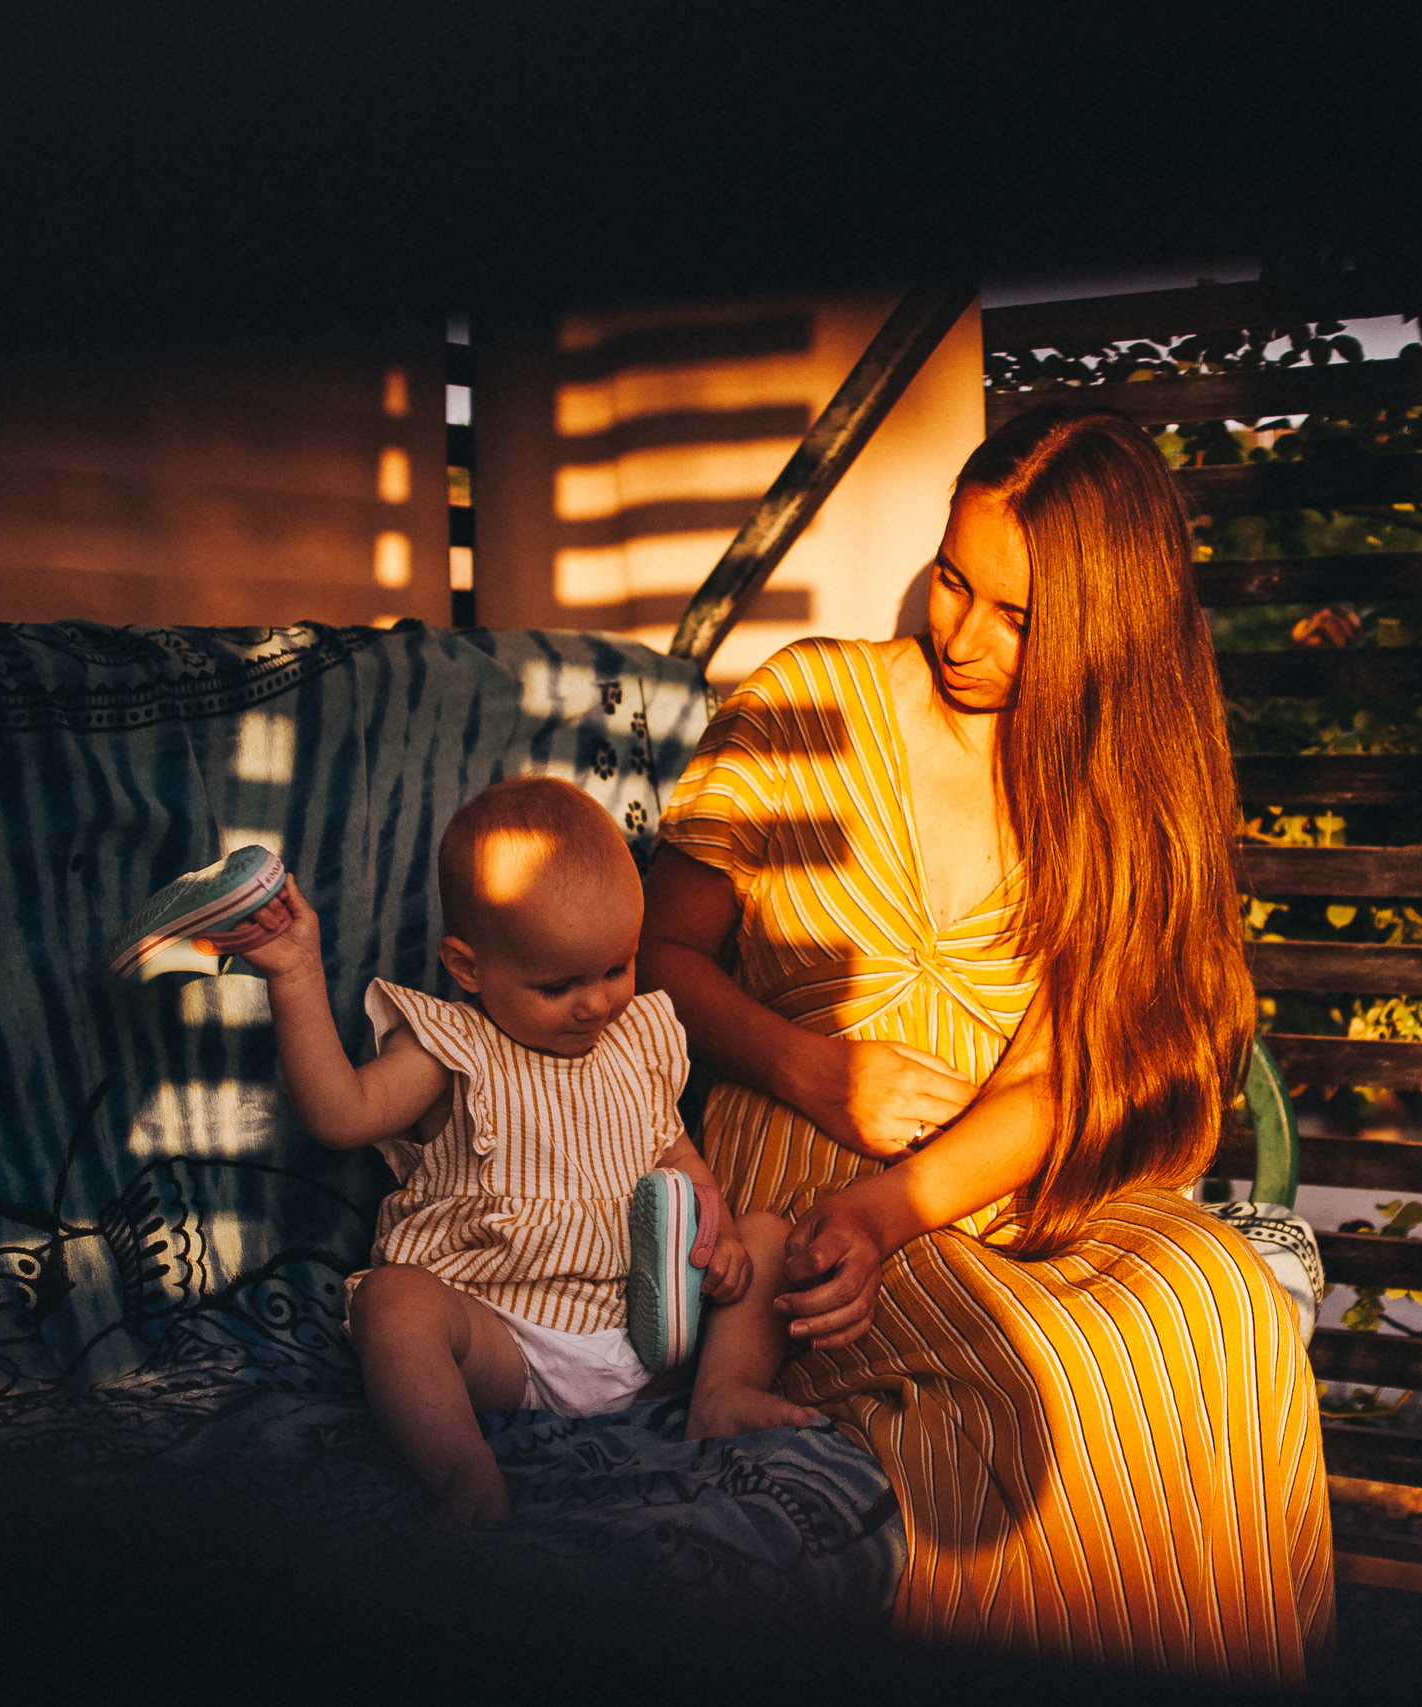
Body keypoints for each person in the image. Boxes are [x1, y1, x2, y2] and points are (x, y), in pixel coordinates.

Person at [640, 406, 1335, 1684]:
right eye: (953, 580)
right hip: (798, 1167)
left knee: (1223, 1300)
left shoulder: (1112, 787)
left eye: (1018, 616)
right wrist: (806, 1068)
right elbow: (654, 959)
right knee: (1059, 1370)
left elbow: (1058, 1078)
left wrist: (898, 1206)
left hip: (1004, 1173)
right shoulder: (808, 702)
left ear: (1106, 632)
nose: (961, 635)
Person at [233, 774, 815, 1529]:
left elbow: (679, 1159)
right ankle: (460, 1466)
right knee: (392, 1303)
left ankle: (721, 1392)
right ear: (468, 967)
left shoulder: (635, 1040)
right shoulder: (454, 1049)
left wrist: (721, 1235)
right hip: (509, 1340)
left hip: (649, 1338)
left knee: (770, 1237)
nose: (596, 1004)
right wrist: (295, 973)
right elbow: (340, 1114)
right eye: (558, 985)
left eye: (617, 968)